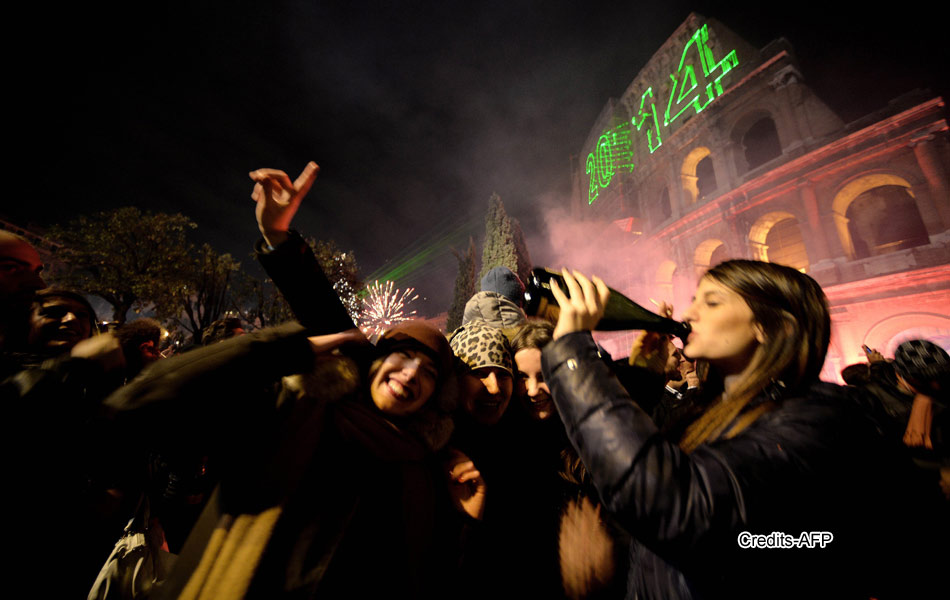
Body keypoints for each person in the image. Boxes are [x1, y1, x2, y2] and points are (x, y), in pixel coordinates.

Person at [541, 262, 946, 599]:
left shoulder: (818, 419)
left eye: (711, 302)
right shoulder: (713, 408)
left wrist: (574, 352)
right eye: (695, 299)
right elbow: (643, 453)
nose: (688, 314)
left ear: (771, 328)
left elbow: (677, 504)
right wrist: (645, 377)